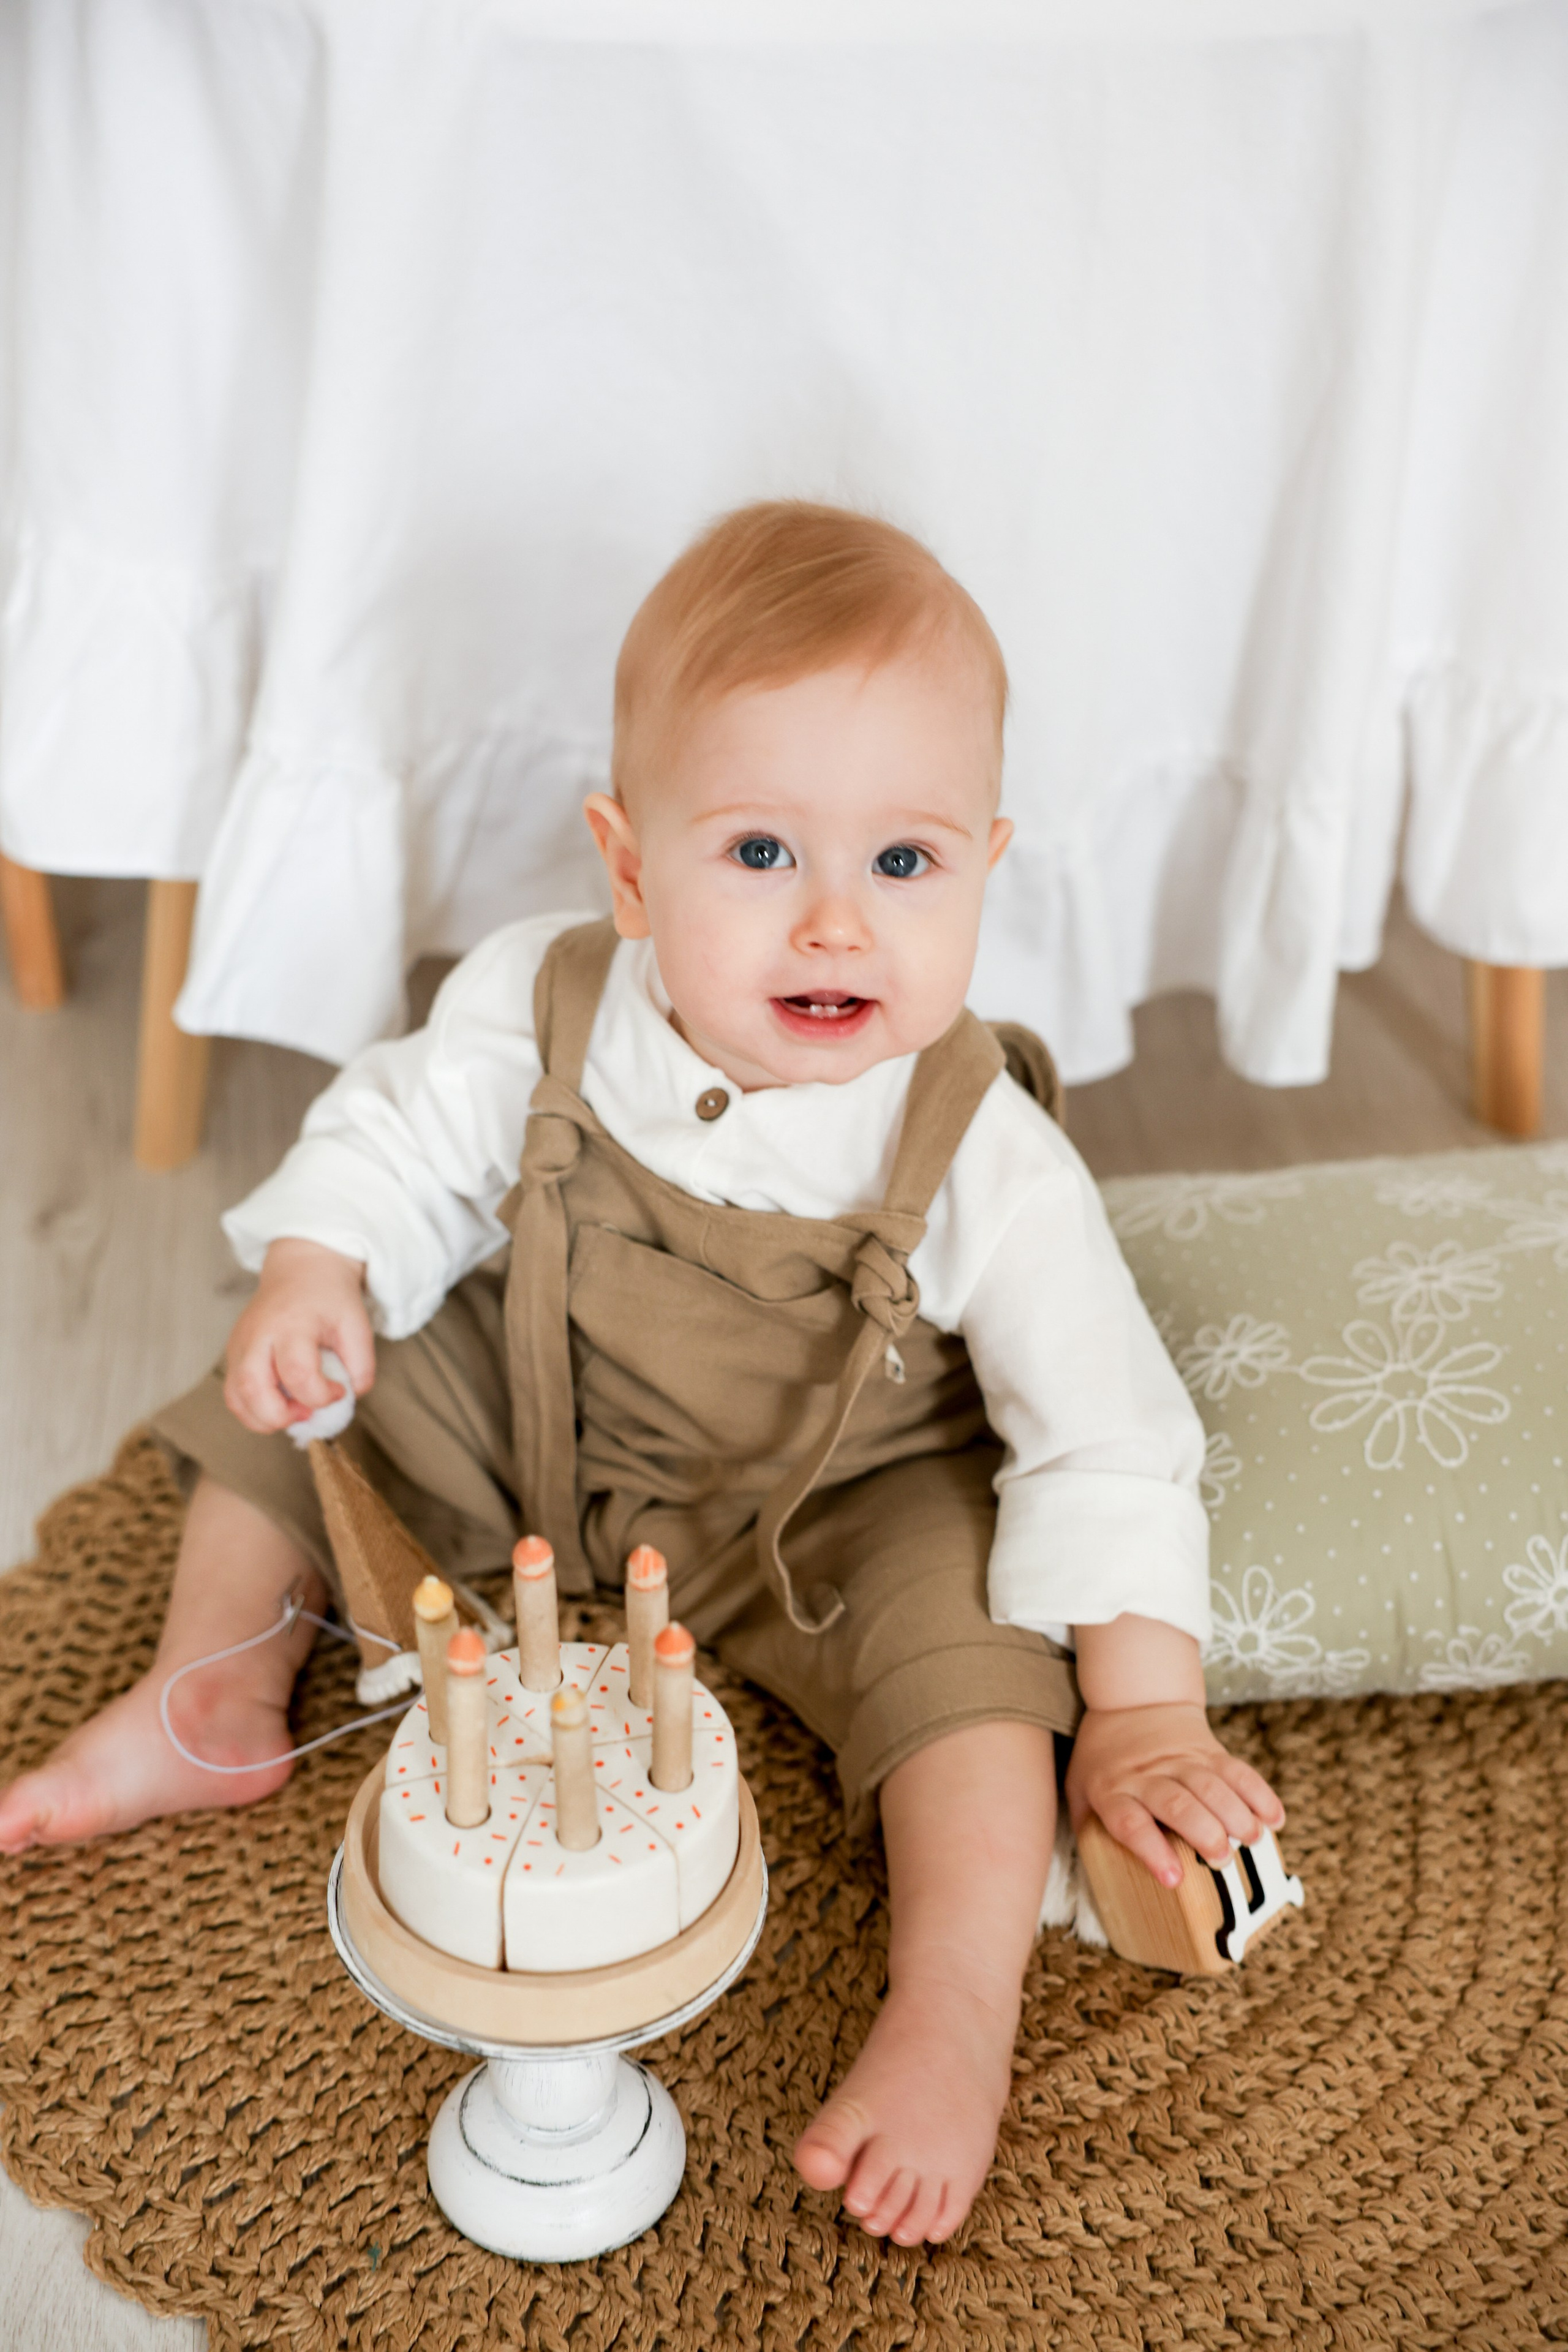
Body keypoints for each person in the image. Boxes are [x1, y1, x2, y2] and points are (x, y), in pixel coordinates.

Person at [0, 502, 1283, 2246]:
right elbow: (399, 1136)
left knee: (982, 1679)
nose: (835, 924)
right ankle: (204, 1695)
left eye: (905, 866)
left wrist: (1142, 1715)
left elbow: (1105, 1433)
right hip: (556, 1404)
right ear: (629, 868)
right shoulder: (549, 1000)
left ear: (987, 867)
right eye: (760, 852)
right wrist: (319, 1271)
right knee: (311, 1411)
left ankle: (952, 2012)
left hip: (841, 1503)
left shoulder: (982, 1147)